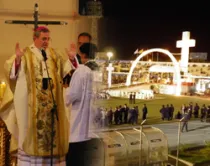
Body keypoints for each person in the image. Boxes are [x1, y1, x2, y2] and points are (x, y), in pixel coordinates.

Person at [1, 26, 69, 165]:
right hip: (32, 111)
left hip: (52, 111)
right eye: (44, 39)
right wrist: (18, 61)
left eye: (48, 39)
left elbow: (66, 74)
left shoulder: (54, 55)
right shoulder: (25, 54)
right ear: (35, 38)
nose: (46, 42)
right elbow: (11, 73)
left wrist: (73, 60)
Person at [65, 42, 101, 166]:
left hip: (78, 127)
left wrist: (64, 91)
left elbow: (73, 95)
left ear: (83, 54)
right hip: (92, 128)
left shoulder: (81, 71)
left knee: (75, 160)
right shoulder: (96, 71)